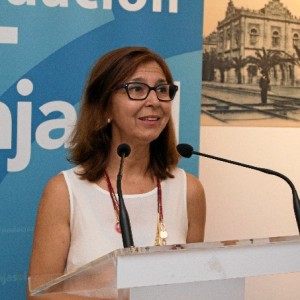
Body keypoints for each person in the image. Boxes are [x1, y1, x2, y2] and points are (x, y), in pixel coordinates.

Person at [27, 46, 206, 298]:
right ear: (105, 106)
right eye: (137, 89)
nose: (154, 101)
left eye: (162, 90)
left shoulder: (189, 190)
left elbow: (195, 285)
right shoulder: (64, 191)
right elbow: (40, 295)